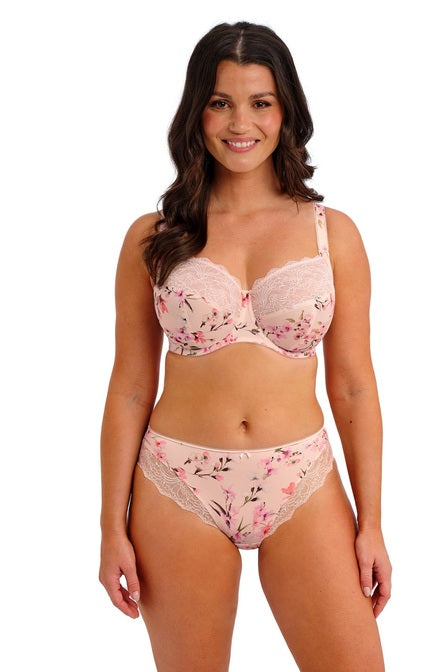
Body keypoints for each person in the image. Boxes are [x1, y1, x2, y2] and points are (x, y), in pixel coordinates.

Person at [99, 20, 391, 671]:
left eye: (260, 102)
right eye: (220, 102)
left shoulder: (333, 233)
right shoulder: (153, 237)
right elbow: (130, 387)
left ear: (286, 111)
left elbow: (353, 386)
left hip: (300, 477)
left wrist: (371, 521)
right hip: (176, 480)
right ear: (196, 112)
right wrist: (109, 526)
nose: (241, 123)